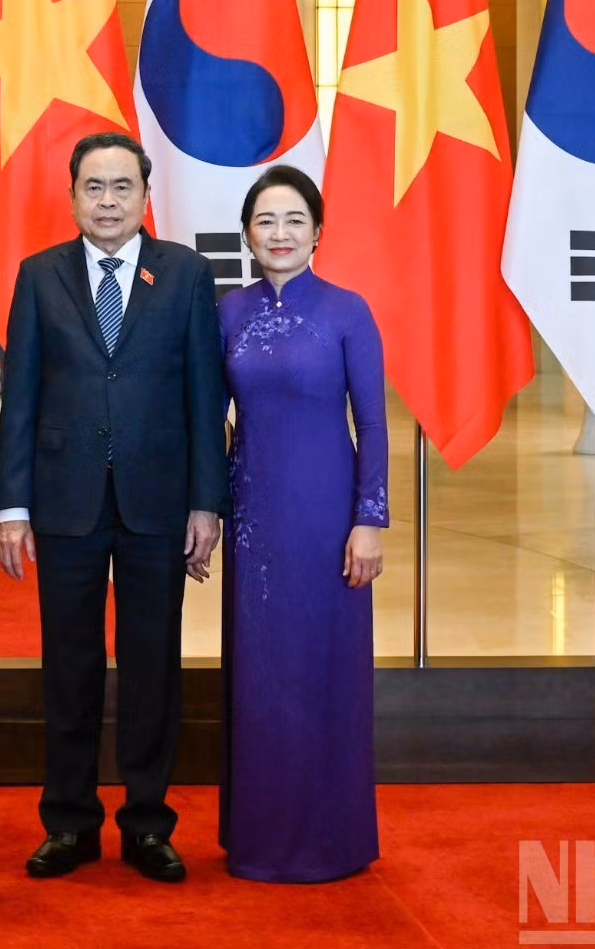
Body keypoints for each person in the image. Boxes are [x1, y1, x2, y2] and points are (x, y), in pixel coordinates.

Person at [0, 132, 228, 883]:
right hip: (64, 504)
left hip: (158, 502)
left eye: (121, 186)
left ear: (145, 194)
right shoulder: (38, 277)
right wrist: (12, 505)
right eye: (93, 187)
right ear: (72, 197)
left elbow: (204, 395)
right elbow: (20, 398)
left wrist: (205, 502)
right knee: (69, 667)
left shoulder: (187, 275)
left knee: (153, 667)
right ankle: (68, 823)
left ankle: (148, 824)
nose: (107, 201)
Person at [218, 164, 388, 883]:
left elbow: (373, 423)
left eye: (294, 220)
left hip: (327, 519)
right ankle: (260, 838)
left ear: (318, 231)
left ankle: (332, 838)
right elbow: (207, 418)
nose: (280, 233)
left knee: (324, 669)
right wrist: (206, 509)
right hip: (254, 520)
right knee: (260, 674)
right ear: (248, 235)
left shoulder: (349, 311)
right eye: (266, 221)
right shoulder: (226, 312)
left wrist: (369, 519)